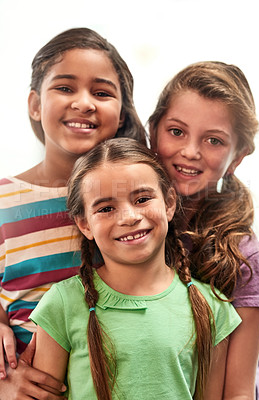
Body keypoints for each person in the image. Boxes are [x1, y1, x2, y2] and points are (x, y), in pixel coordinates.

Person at [30, 138, 241, 400]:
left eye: (142, 199)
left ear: (169, 203)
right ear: (85, 224)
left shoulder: (212, 308)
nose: (129, 217)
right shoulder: (62, 304)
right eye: (106, 208)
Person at [0, 27, 146, 399]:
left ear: (122, 112)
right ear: (34, 104)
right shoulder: (3, 199)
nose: (84, 103)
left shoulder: (138, 203)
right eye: (65, 88)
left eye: (101, 93)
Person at [148, 61, 259, 399]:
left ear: (238, 156)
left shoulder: (246, 257)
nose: (190, 151)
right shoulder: (126, 228)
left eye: (213, 140)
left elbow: (239, 392)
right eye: (176, 131)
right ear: (153, 130)